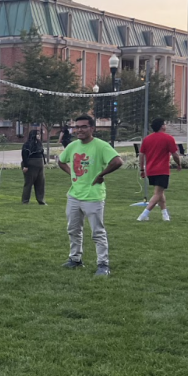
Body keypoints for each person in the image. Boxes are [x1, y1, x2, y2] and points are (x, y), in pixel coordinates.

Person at [58, 113, 123, 276]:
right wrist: (72, 173)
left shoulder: (100, 146)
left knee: (97, 232)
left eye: (83, 127)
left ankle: (103, 264)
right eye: (77, 127)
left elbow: (117, 161)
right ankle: (75, 259)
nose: (79, 130)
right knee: (73, 229)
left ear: (92, 128)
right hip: (74, 195)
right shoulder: (72, 146)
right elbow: (61, 161)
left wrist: (101, 174)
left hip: (93, 196)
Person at [137, 118, 181, 221]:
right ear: (162, 126)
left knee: (160, 192)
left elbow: (141, 154)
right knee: (158, 193)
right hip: (162, 170)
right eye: (165, 124)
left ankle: (165, 215)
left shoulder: (147, 139)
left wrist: (142, 169)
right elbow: (175, 154)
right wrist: (179, 164)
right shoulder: (168, 138)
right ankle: (143, 215)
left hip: (150, 170)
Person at [20, 129, 46, 204]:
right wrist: (25, 166)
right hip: (30, 164)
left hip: (40, 164)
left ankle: (41, 200)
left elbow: (42, 154)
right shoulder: (27, 144)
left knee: (40, 183)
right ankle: (25, 200)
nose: (39, 136)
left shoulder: (39, 143)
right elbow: (24, 155)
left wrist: (43, 162)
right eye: (37, 134)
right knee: (29, 183)